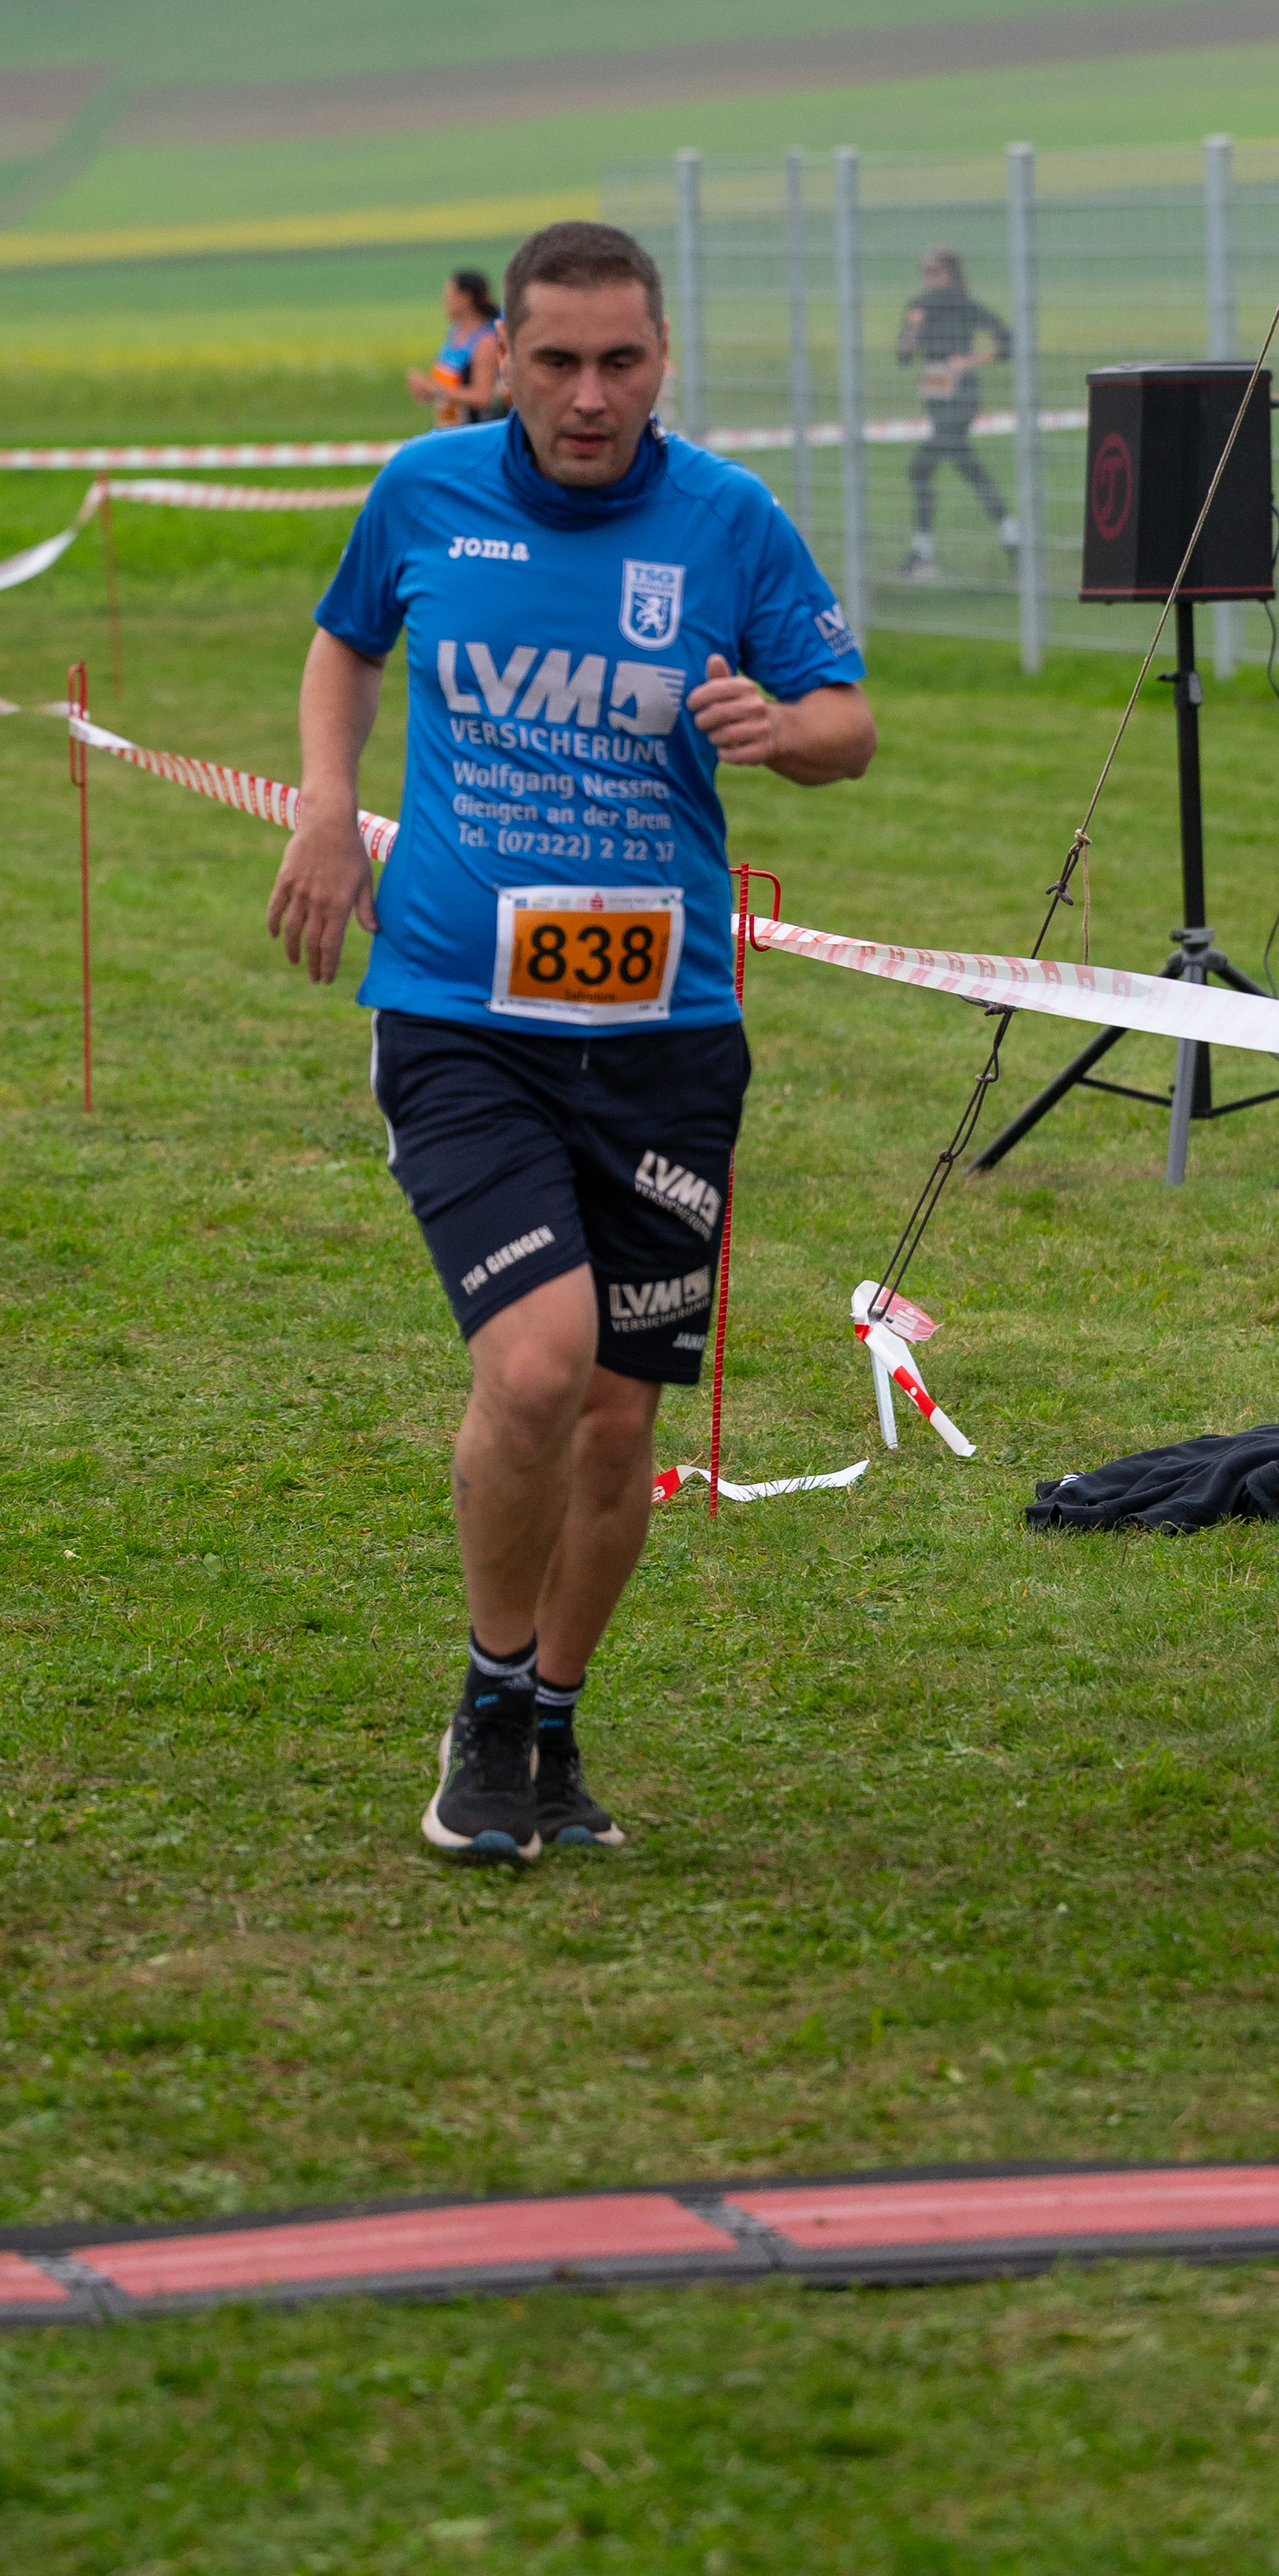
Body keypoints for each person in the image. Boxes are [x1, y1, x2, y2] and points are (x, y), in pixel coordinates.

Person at [268, 219, 875, 1863]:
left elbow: (848, 723)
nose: (589, 395)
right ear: (503, 362)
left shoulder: (728, 519)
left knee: (617, 1417)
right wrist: (325, 802)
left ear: (662, 358)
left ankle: (549, 1721)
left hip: (667, 1036)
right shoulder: (424, 490)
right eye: (555, 362)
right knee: (536, 1362)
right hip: (462, 1015)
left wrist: (782, 727)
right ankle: (485, 1702)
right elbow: (345, 640)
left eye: (620, 362)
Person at [895, 245, 1018, 582]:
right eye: (925, 272)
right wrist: (913, 328)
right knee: (967, 466)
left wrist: (970, 361)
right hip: (936, 397)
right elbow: (904, 355)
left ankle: (922, 555)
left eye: (934, 271)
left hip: (962, 397)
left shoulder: (965, 305)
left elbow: (1008, 343)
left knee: (921, 468)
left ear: (950, 272)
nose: (929, 278)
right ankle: (1012, 536)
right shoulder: (919, 307)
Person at [405, 269, 504, 429]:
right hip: (449, 426)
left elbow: (483, 397)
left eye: (449, 294)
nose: (444, 299)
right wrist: (427, 390)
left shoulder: (485, 341)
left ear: (466, 298)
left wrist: (436, 391)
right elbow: (450, 385)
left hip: (475, 430)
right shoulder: (455, 332)